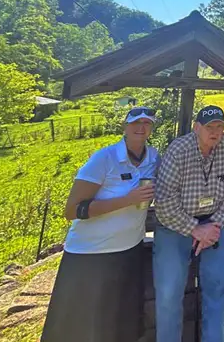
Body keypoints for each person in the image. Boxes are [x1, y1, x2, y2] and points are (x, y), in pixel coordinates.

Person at [42, 106, 159, 342]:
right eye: (136, 123)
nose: (141, 127)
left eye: (147, 123)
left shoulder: (154, 157)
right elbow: (72, 210)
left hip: (128, 250)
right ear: (124, 128)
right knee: (79, 327)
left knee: (117, 322)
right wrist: (128, 200)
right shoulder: (103, 159)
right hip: (91, 254)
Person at [153, 105, 224, 342]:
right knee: (169, 293)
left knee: (218, 289)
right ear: (196, 128)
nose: (215, 132)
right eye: (209, 127)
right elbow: (163, 201)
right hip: (175, 224)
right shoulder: (179, 150)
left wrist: (213, 226)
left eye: (219, 127)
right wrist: (194, 229)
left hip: (213, 223)